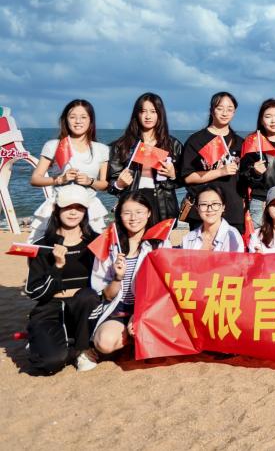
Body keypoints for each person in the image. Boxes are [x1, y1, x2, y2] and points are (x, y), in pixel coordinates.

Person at [23, 188, 102, 374]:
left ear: (86, 210)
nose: (73, 212)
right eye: (67, 207)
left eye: (79, 207)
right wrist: (57, 266)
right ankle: (57, 343)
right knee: (50, 363)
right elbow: (35, 292)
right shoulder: (42, 245)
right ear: (56, 208)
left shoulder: (96, 241)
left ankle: (82, 349)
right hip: (52, 307)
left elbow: (103, 281)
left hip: (85, 308)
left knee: (87, 296)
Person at [91, 193, 167, 359]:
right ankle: (131, 338)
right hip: (119, 309)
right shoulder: (110, 245)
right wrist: (117, 277)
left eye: (139, 212)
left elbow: (165, 289)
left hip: (149, 308)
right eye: (127, 213)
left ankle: (137, 335)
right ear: (119, 215)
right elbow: (107, 295)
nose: (133, 218)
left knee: (144, 332)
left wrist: (139, 313)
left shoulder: (160, 244)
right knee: (104, 343)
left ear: (149, 213)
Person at [28, 99, 109, 241]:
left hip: (89, 207)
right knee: (48, 248)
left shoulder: (101, 149)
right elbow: (35, 179)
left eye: (83, 117)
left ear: (91, 120)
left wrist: (90, 181)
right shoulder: (54, 145)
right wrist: (60, 179)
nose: (78, 121)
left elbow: (104, 184)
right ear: (65, 120)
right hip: (60, 207)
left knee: (91, 250)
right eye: (72, 117)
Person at [107, 92, 183, 223]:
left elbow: (185, 179)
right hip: (133, 202)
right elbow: (111, 185)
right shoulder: (121, 145)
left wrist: (173, 175)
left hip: (162, 204)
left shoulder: (173, 144)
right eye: (143, 111)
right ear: (137, 114)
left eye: (153, 111)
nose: (148, 116)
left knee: (159, 236)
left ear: (160, 114)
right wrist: (119, 185)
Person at [181, 91, 245, 234]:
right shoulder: (196, 141)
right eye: (220, 108)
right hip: (203, 211)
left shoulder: (240, 143)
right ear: (211, 110)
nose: (225, 113)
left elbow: (246, 179)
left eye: (229, 109)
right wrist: (220, 172)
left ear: (234, 112)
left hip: (233, 211)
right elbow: (188, 177)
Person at [240, 99, 275, 225]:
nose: (273, 121)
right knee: (258, 237)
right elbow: (242, 176)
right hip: (262, 202)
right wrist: (255, 173)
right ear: (261, 120)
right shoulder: (253, 142)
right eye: (268, 116)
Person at [180, 185, 246, 252]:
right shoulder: (188, 238)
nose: (209, 209)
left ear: (223, 207)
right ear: (197, 208)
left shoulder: (232, 237)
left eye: (215, 204)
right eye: (204, 204)